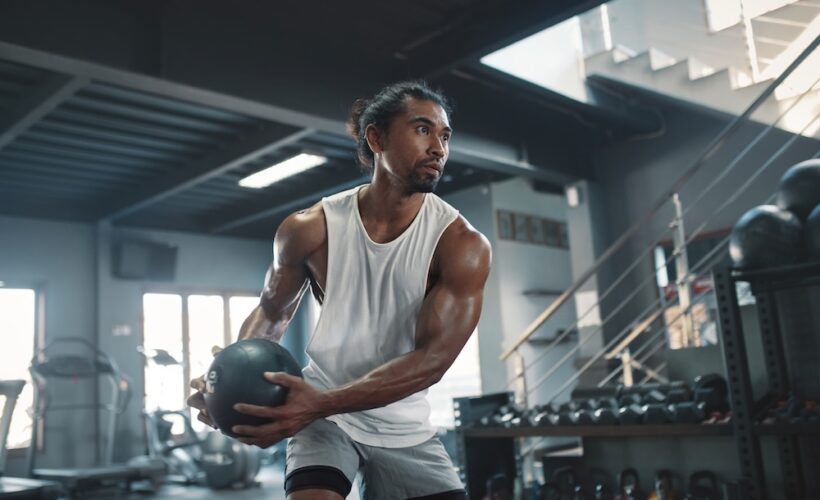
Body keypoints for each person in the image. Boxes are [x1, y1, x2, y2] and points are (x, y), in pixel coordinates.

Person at [188, 81, 491, 500]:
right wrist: (231, 385)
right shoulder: (309, 228)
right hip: (325, 420)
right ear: (376, 138)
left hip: (403, 426)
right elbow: (272, 314)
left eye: (444, 135)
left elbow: (432, 361)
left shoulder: (461, 245)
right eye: (423, 130)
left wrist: (320, 402)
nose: (438, 147)